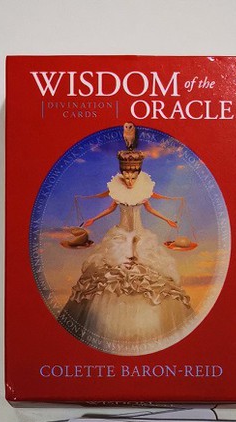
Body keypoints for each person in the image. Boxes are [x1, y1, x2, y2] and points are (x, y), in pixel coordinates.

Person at [58, 128, 193, 356]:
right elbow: (109, 206)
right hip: (121, 235)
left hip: (140, 235)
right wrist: (92, 217)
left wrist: (168, 219)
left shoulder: (144, 191)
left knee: (153, 277)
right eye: (127, 176)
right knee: (105, 275)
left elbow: (151, 207)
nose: (130, 180)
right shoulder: (117, 190)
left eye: (133, 175)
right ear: (122, 174)